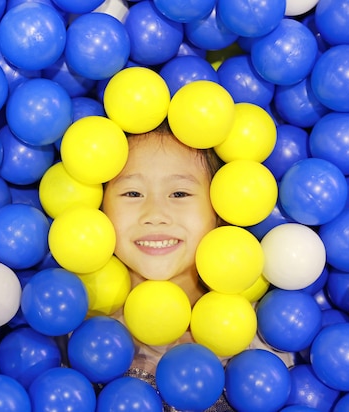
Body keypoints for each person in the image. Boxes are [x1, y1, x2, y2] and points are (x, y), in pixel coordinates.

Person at [101, 120, 235, 411]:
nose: (155, 214)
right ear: (100, 209)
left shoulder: (258, 336)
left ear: (220, 209)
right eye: (133, 194)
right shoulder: (79, 331)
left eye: (179, 194)